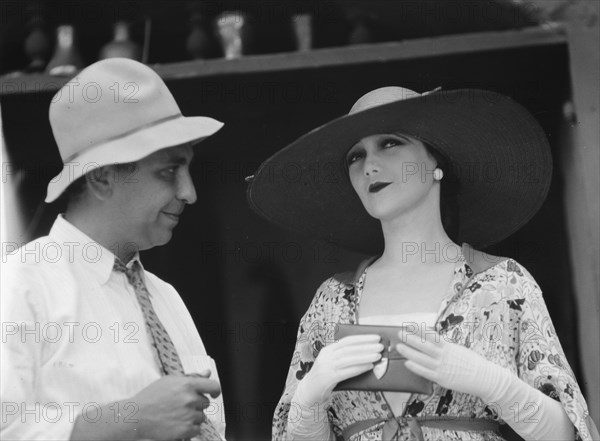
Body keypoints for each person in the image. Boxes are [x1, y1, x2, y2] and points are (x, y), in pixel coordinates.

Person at [246, 86, 599, 440]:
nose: (369, 165)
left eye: (390, 143)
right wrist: (310, 398)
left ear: (436, 163)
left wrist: (494, 383)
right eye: (355, 156)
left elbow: (567, 434)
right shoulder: (331, 302)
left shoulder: (503, 285)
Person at [1, 58, 226, 440]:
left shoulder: (166, 298)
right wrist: (130, 419)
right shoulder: (21, 285)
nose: (189, 193)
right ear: (102, 177)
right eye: (169, 171)